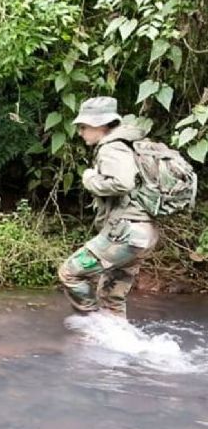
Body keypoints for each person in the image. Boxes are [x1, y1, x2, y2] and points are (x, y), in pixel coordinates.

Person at [58, 97, 159, 318]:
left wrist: (89, 179)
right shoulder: (128, 145)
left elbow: (123, 182)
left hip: (125, 234)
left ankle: (93, 323)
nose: (81, 132)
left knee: (70, 272)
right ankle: (117, 344)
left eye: (83, 127)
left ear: (100, 125)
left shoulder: (111, 148)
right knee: (111, 298)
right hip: (143, 234)